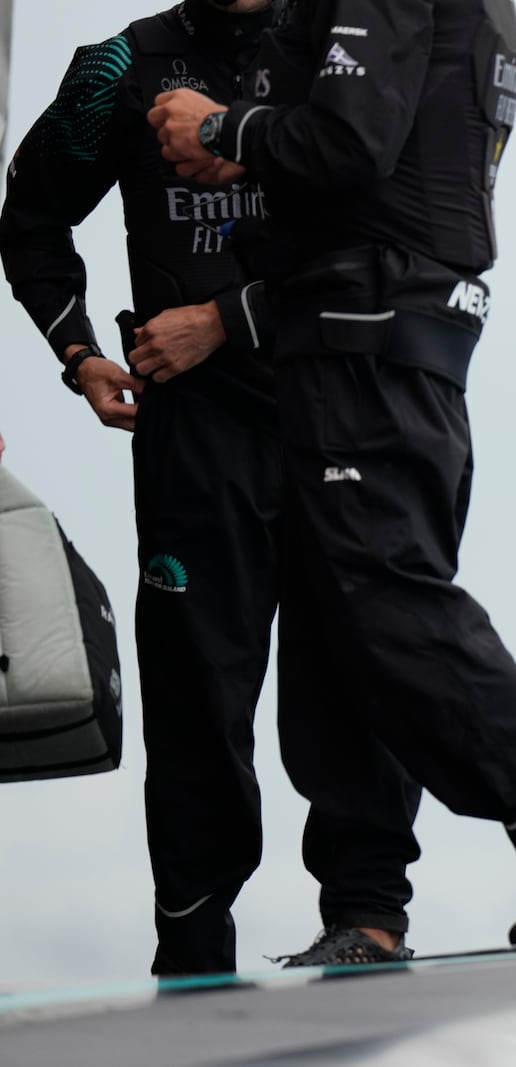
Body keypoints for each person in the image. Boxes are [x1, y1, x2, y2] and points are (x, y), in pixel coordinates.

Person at [147, 0, 516, 953]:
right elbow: (363, 138)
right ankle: (367, 911)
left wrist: (222, 126)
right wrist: (257, 149)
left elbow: (350, 140)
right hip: (349, 342)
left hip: (373, 347)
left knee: (389, 603)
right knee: (334, 632)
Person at [0, 0, 305, 976]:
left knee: (359, 669)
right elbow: (31, 219)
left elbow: (404, 225)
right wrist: (79, 352)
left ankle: (367, 911)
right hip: (195, 441)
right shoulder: (122, 69)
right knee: (195, 703)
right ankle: (192, 949)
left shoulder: (345, 50)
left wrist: (223, 319)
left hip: (336, 411)